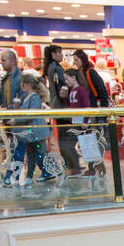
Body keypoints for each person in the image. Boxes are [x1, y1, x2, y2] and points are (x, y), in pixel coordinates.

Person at [43, 43, 79, 174]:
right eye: (59, 53)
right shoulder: (56, 68)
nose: (61, 55)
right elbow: (62, 89)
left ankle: (69, 163)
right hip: (62, 107)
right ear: (53, 54)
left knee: (63, 137)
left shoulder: (49, 68)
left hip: (56, 106)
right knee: (67, 136)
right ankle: (72, 164)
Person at [14, 72, 54, 183]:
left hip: (37, 132)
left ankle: (48, 172)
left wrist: (16, 120)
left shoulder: (34, 98)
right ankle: (30, 176)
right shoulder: (29, 97)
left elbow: (31, 115)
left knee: (40, 153)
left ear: (26, 84)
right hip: (31, 133)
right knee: (32, 154)